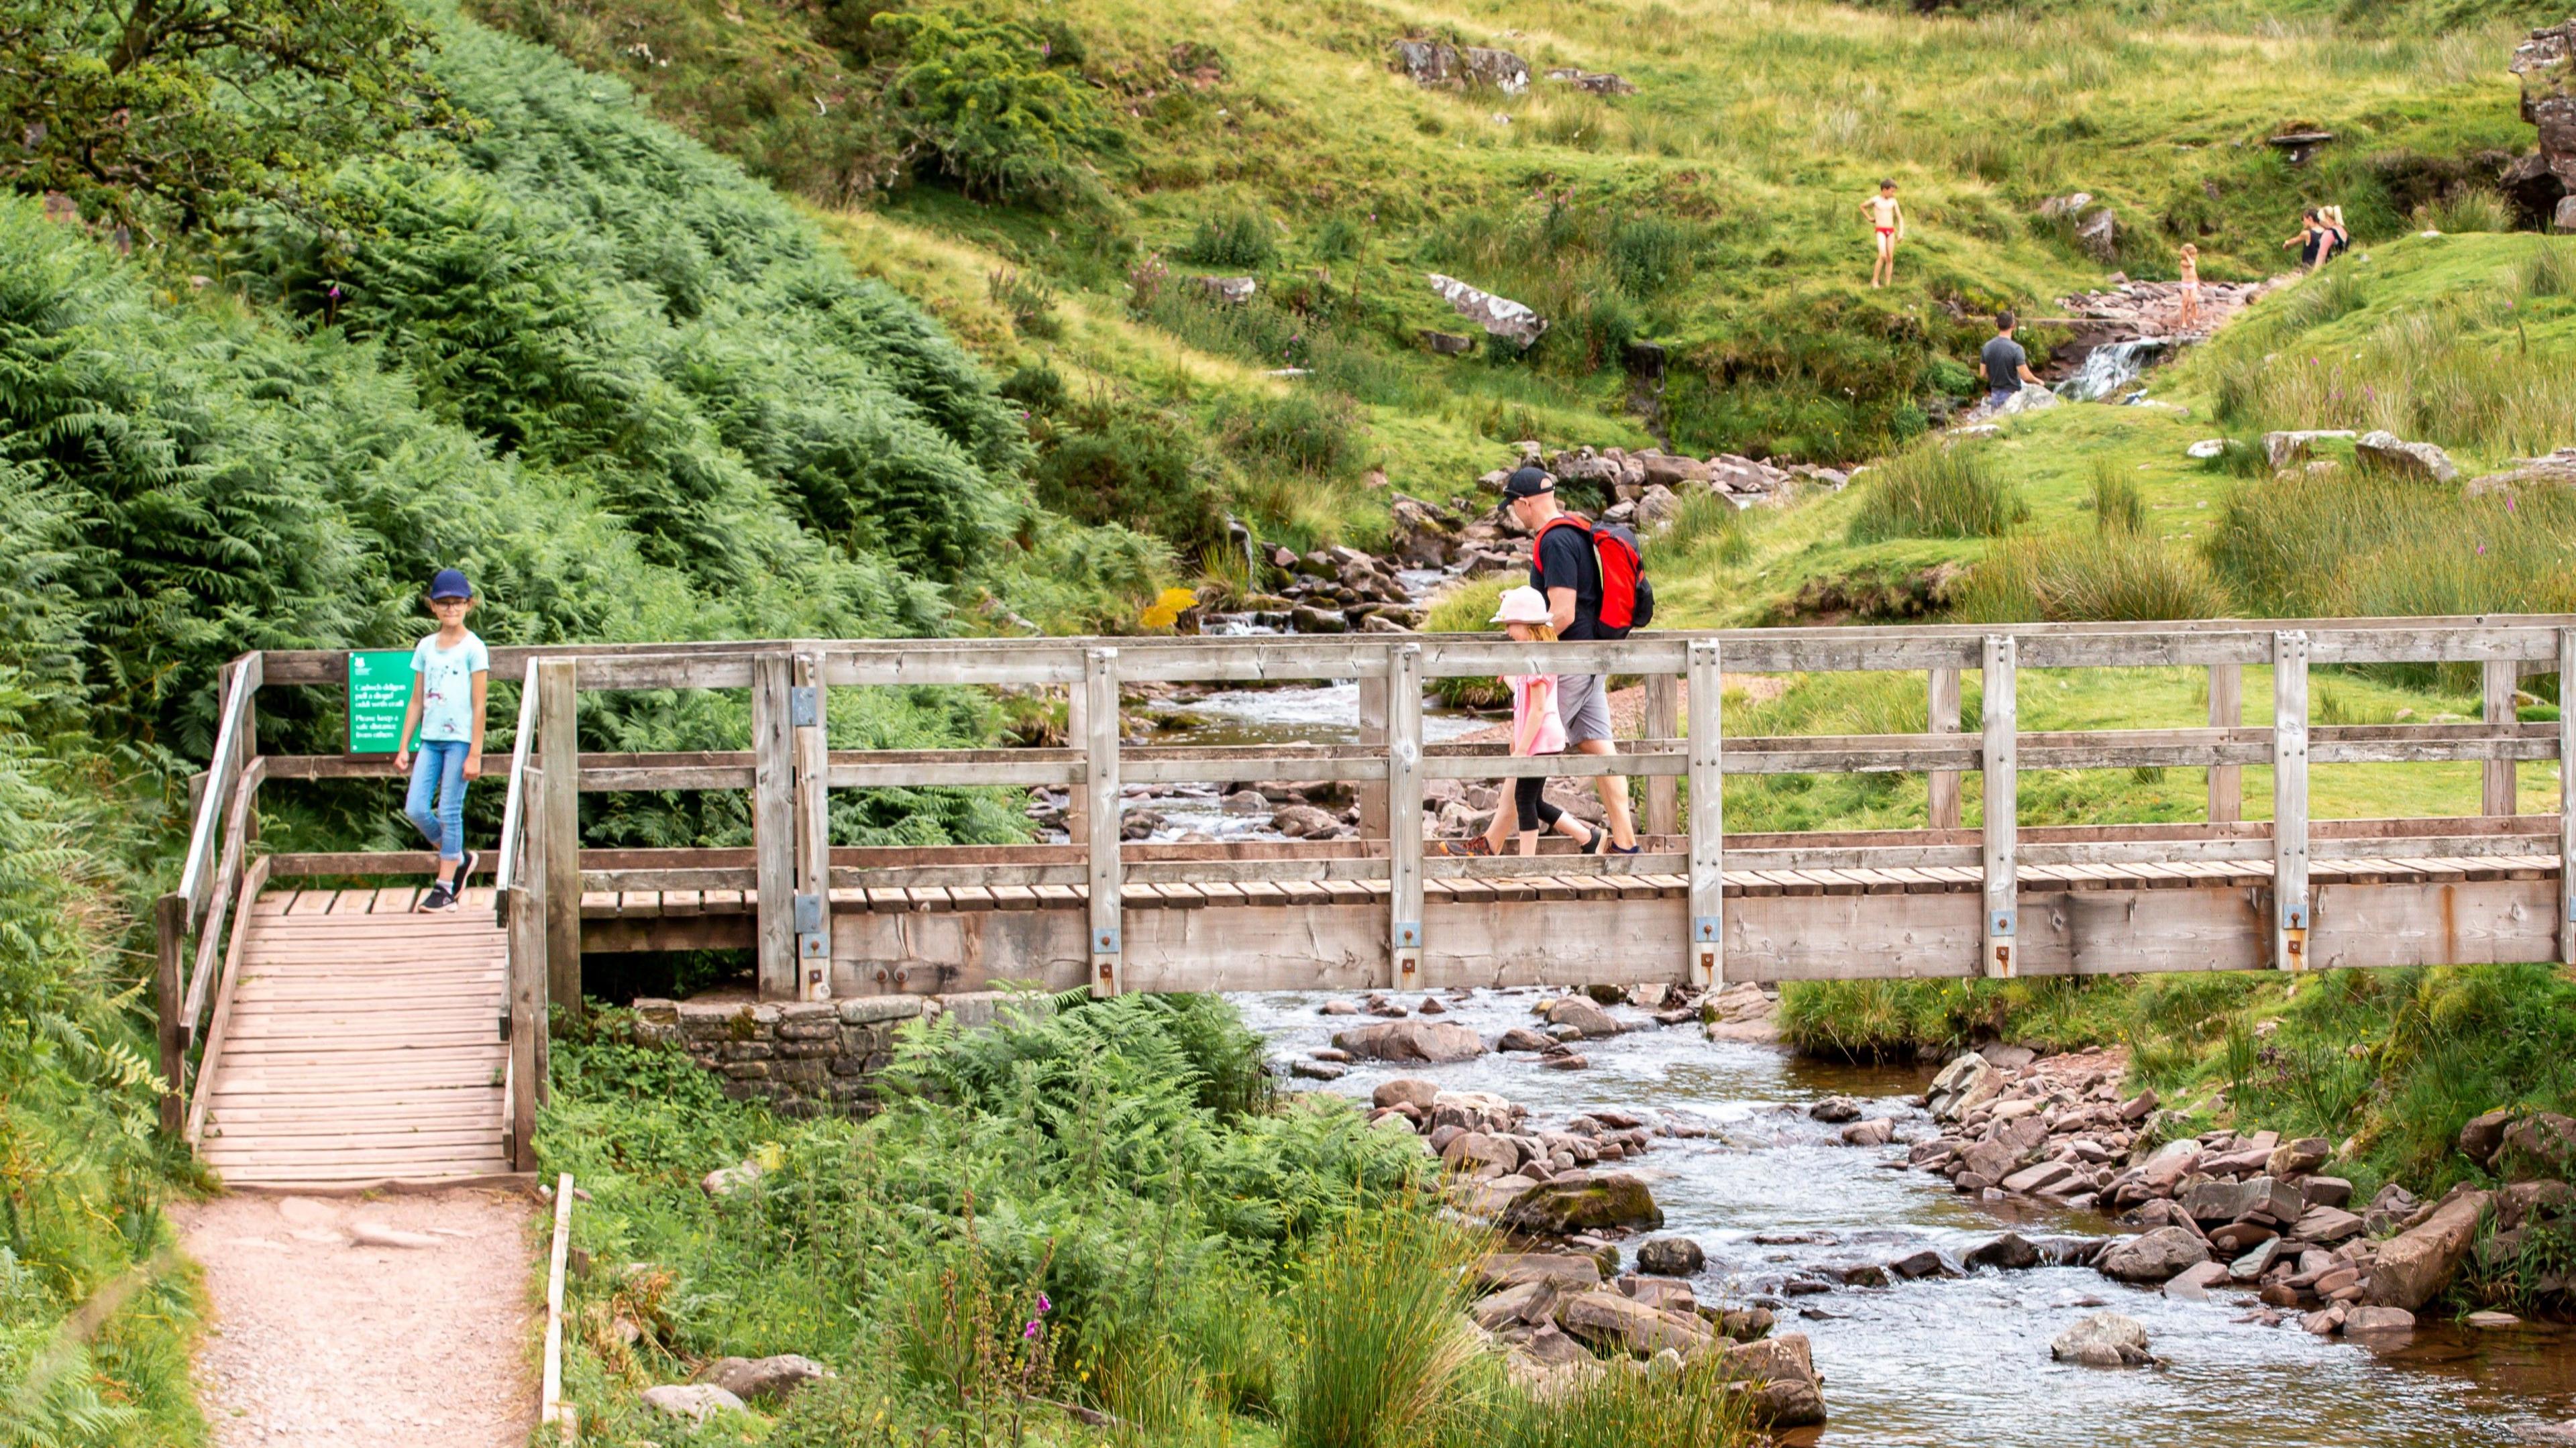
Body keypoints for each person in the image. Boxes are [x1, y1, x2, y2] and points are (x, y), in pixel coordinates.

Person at [1502, 466, 1640, 852]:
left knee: (1528, 749)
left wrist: (1528, 651)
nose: (1515, 514)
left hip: (1572, 663)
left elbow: (1561, 613)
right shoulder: (1573, 532)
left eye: (1514, 506)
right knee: (1600, 750)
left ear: (1526, 502)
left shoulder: (1556, 542)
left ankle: (1491, 842)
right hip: (1590, 659)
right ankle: (1624, 845)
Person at [1434, 588, 1601, 857]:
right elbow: (1524, 694)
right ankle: (1587, 837)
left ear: (1526, 624)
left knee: (1524, 800)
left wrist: (1522, 749)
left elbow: (1537, 709)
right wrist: (1508, 675)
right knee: (1535, 801)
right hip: (1540, 739)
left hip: (1540, 740)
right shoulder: (1532, 657)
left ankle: (1527, 864)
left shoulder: (1536, 659)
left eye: (1510, 624)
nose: (1508, 631)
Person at [393, 568, 490, 911]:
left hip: (460, 741)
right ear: (433, 607)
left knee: (449, 809)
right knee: (416, 807)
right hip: (430, 740)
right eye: (444, 603)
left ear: (469, 605)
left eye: (458, 602)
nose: (451, 609)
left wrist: (475, 753)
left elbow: (480, 705)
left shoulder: (475, 649)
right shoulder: (425, 648)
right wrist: (405, 745)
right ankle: (458, 856)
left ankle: (445, 887)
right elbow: (416, 700)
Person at [1978, 311, 2043, 410]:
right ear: (2013, 325)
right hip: (2012, 397)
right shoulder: (2016, 349)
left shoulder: (1987, 347)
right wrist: (2038, 381)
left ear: (1996, 324)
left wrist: (1997, 377)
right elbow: (2025, 377)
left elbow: (1982, 374)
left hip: (1995, 395)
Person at [1859, 179, 1905, 289]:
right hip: (1880, 230)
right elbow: (1862, 206)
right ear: (1885, 189)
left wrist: (1901, 232)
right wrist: (1869, 218)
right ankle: (1874, 281)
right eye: (1892, 191)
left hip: (1891, 231)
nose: (1893, 194)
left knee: (1890, 257)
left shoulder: (1893, 201)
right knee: (1882, 255)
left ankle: (1888, 284)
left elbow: (1900, 217)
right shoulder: (1876, 200)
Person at [2176, 243, 2202, 332]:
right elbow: (2190, 264)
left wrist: (2198, 282)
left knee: (2194, 302)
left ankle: (2194, 318)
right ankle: (2184, 321)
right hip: (2185, 284)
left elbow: (2194, 271)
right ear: (2187, 254)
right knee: (2185, 303)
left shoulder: (2193, 261)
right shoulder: (2183, 262)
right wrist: (2187, 256)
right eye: (2193, 255)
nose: (2194, 257)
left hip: (2193, 283)